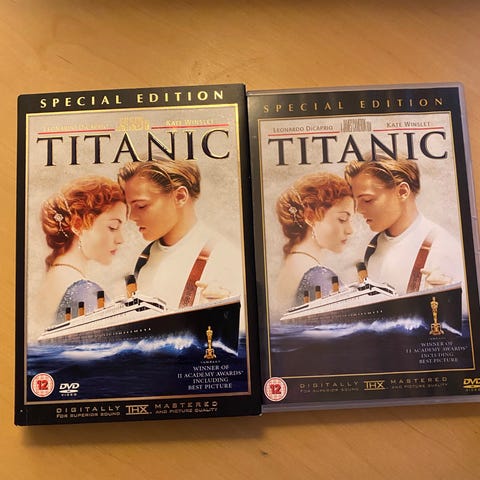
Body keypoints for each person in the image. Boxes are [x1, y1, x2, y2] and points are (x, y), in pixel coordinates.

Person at [117, 156, 242, 310]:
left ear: (180, 196)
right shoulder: (140, 261)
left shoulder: (225, 258)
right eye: (129, 207)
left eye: (141, 206)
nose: (131, 217)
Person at [344, 155, 464, 295]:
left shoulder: (443, 249)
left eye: (367, 200)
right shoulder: (370, 249)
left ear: (402, 192)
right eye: (356, 201)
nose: (358, 210)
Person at [39, 176, 126, 325]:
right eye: (113, 227)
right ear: (78, 225)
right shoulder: (83, 290)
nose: (121, 239)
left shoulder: (54, 276)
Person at [275, 172, 354, 309]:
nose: (350, 230)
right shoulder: (317, 276)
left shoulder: (293, 263)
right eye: (342, 219)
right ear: (310, 217)